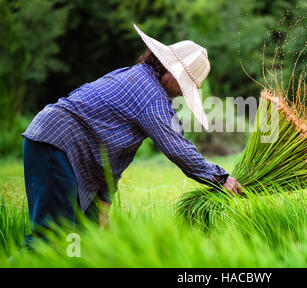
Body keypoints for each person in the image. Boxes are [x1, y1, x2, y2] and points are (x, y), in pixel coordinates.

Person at [21, 24, 243, 246]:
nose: (182, 93)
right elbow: (178, 148)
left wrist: (104, 205)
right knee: (52, 242)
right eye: (184, 86)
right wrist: (220, 178)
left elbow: (113, 156)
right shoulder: (149, 93)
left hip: (62, 148)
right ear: (170, 71)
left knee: (86, 243)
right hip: (57, 144)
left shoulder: (138, 78)